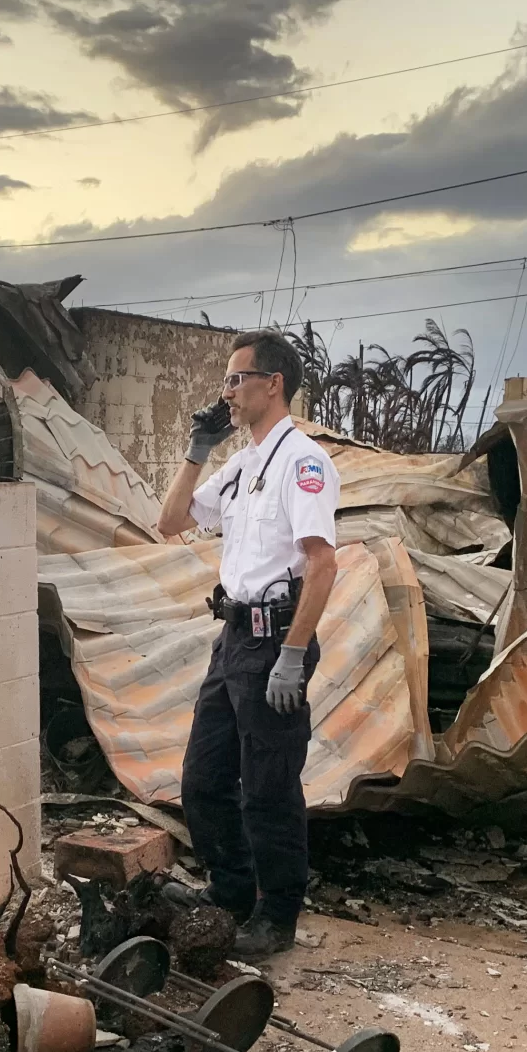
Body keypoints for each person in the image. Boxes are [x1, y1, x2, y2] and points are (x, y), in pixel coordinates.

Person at [157, 329, 341, 959]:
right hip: (231, 638)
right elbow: (171, 522)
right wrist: (198, 450)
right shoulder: (241, 464)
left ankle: (277, 914)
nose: (227, 392)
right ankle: (231, 891)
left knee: (268, 787)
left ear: (273, 384)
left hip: (274, 643)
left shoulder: (304, 463)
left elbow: (322, 564)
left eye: (237, 379)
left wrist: (294, 655)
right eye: (227, 380)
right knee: (203, 781)